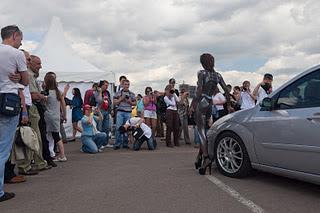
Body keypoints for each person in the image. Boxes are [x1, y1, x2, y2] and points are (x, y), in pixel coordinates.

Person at [189, 53, 231, 175]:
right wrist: (228, 105)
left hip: (202, 102)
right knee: (206, 131)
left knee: (201, 132)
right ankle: (199, 157)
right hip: (210, 103)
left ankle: (206, 157)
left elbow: (199, 91)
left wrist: (192, 105)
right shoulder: (218, 75)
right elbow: (227, 92)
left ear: (203, 63)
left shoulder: (202, 73)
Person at [0, 25, 29, 202]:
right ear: (15, 36)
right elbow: (25, 80)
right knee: (3, 148)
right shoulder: (16, 54)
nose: (20, 42)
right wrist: (19, 76)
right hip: (8, 100)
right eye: (20, 38)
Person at [28, 55, 57, 167]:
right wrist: (43, 97)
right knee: (37, 136)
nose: (40, 66)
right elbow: (33, 95)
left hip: (38, 109)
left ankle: (42, 159)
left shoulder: (32, 77)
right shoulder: (30, 76)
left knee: (43, 136)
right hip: (35, 108)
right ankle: (40, 161)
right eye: (38, 64)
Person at [43, 74, 67, 162]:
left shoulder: (46, 93)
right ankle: (54, 153)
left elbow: (43, 104)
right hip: (56, 116)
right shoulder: (58, 92)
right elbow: (63, 105)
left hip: (48, 116)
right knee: (55, 136)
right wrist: (65, 115)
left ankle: (61, 155)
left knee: (51, 136)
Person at [113, 79, 136, 149]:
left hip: (128, 112)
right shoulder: (118, 93)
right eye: (125, 84)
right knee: (118, 128)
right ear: (122, 85)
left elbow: (135, 103)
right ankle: (117, 144)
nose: (127, 86)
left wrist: (130, 102)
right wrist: (121, 98)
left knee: (127, 128)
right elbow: (114, 102)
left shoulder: (132, 94)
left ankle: (125, 144)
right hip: (120, 112)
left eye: (128, 84)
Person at [95, 80, 112, 146]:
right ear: (101, 85)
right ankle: (100, 143)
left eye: (107, 85)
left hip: (106, 111)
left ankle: (106, 143)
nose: (107, 87)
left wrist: (111, 109)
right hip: (100, 111)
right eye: (105, 85)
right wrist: (100, 92)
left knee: (106, 128)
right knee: (99, 128)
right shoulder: (97, 92)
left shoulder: (107, 92)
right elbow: (99, 101)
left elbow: (109, 101)